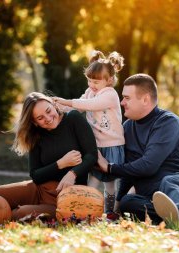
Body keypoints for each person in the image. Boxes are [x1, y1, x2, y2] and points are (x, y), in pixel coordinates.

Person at [96, 73, 179, 224]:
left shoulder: (168, 123)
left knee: (170, 182)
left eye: (127, 98)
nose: (122, 102)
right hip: (154, 198)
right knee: (128, 203)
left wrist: (110, 168)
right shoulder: (127, 128)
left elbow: (149, 165)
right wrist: (117, 206)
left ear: (145, 99)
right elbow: (129, 174)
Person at [0, 92, 98, 220]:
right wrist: (61, 163)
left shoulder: (73, 119)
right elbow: (35, 175)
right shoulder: (36, 135)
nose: (48, 118)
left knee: (17, 214)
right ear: (34, 123)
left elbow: (91, 155)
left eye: (48, 111)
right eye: (40, 118)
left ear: (53, 104)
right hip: (38, 189)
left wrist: (72, 173)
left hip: (65, 199)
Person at [53, 50, 125, 214]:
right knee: (93, 178)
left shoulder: (110, 94)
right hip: (96, 145)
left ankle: (110, 211)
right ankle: (85, 209)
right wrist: (58, 106)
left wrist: (67, 101)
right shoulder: (90, 92)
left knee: (110, 183)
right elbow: (80, 104)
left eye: (96, 82)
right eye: (90, 81)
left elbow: (89, 105)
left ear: (109, 80)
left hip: (112, 144)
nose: (92, 85)